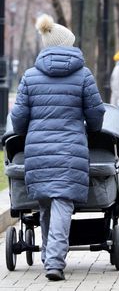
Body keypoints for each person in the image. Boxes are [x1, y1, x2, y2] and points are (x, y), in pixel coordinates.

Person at [10, 14, 105, 281]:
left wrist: (27, 131)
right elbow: (96, 114)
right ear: (68, 46)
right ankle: (54, 262)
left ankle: (48, 257)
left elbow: (18, 120)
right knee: (63, 203)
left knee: (47, 204)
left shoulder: (29, 77)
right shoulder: (83, 75)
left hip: (38, 150)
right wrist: (92, 128)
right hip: (70, 148)